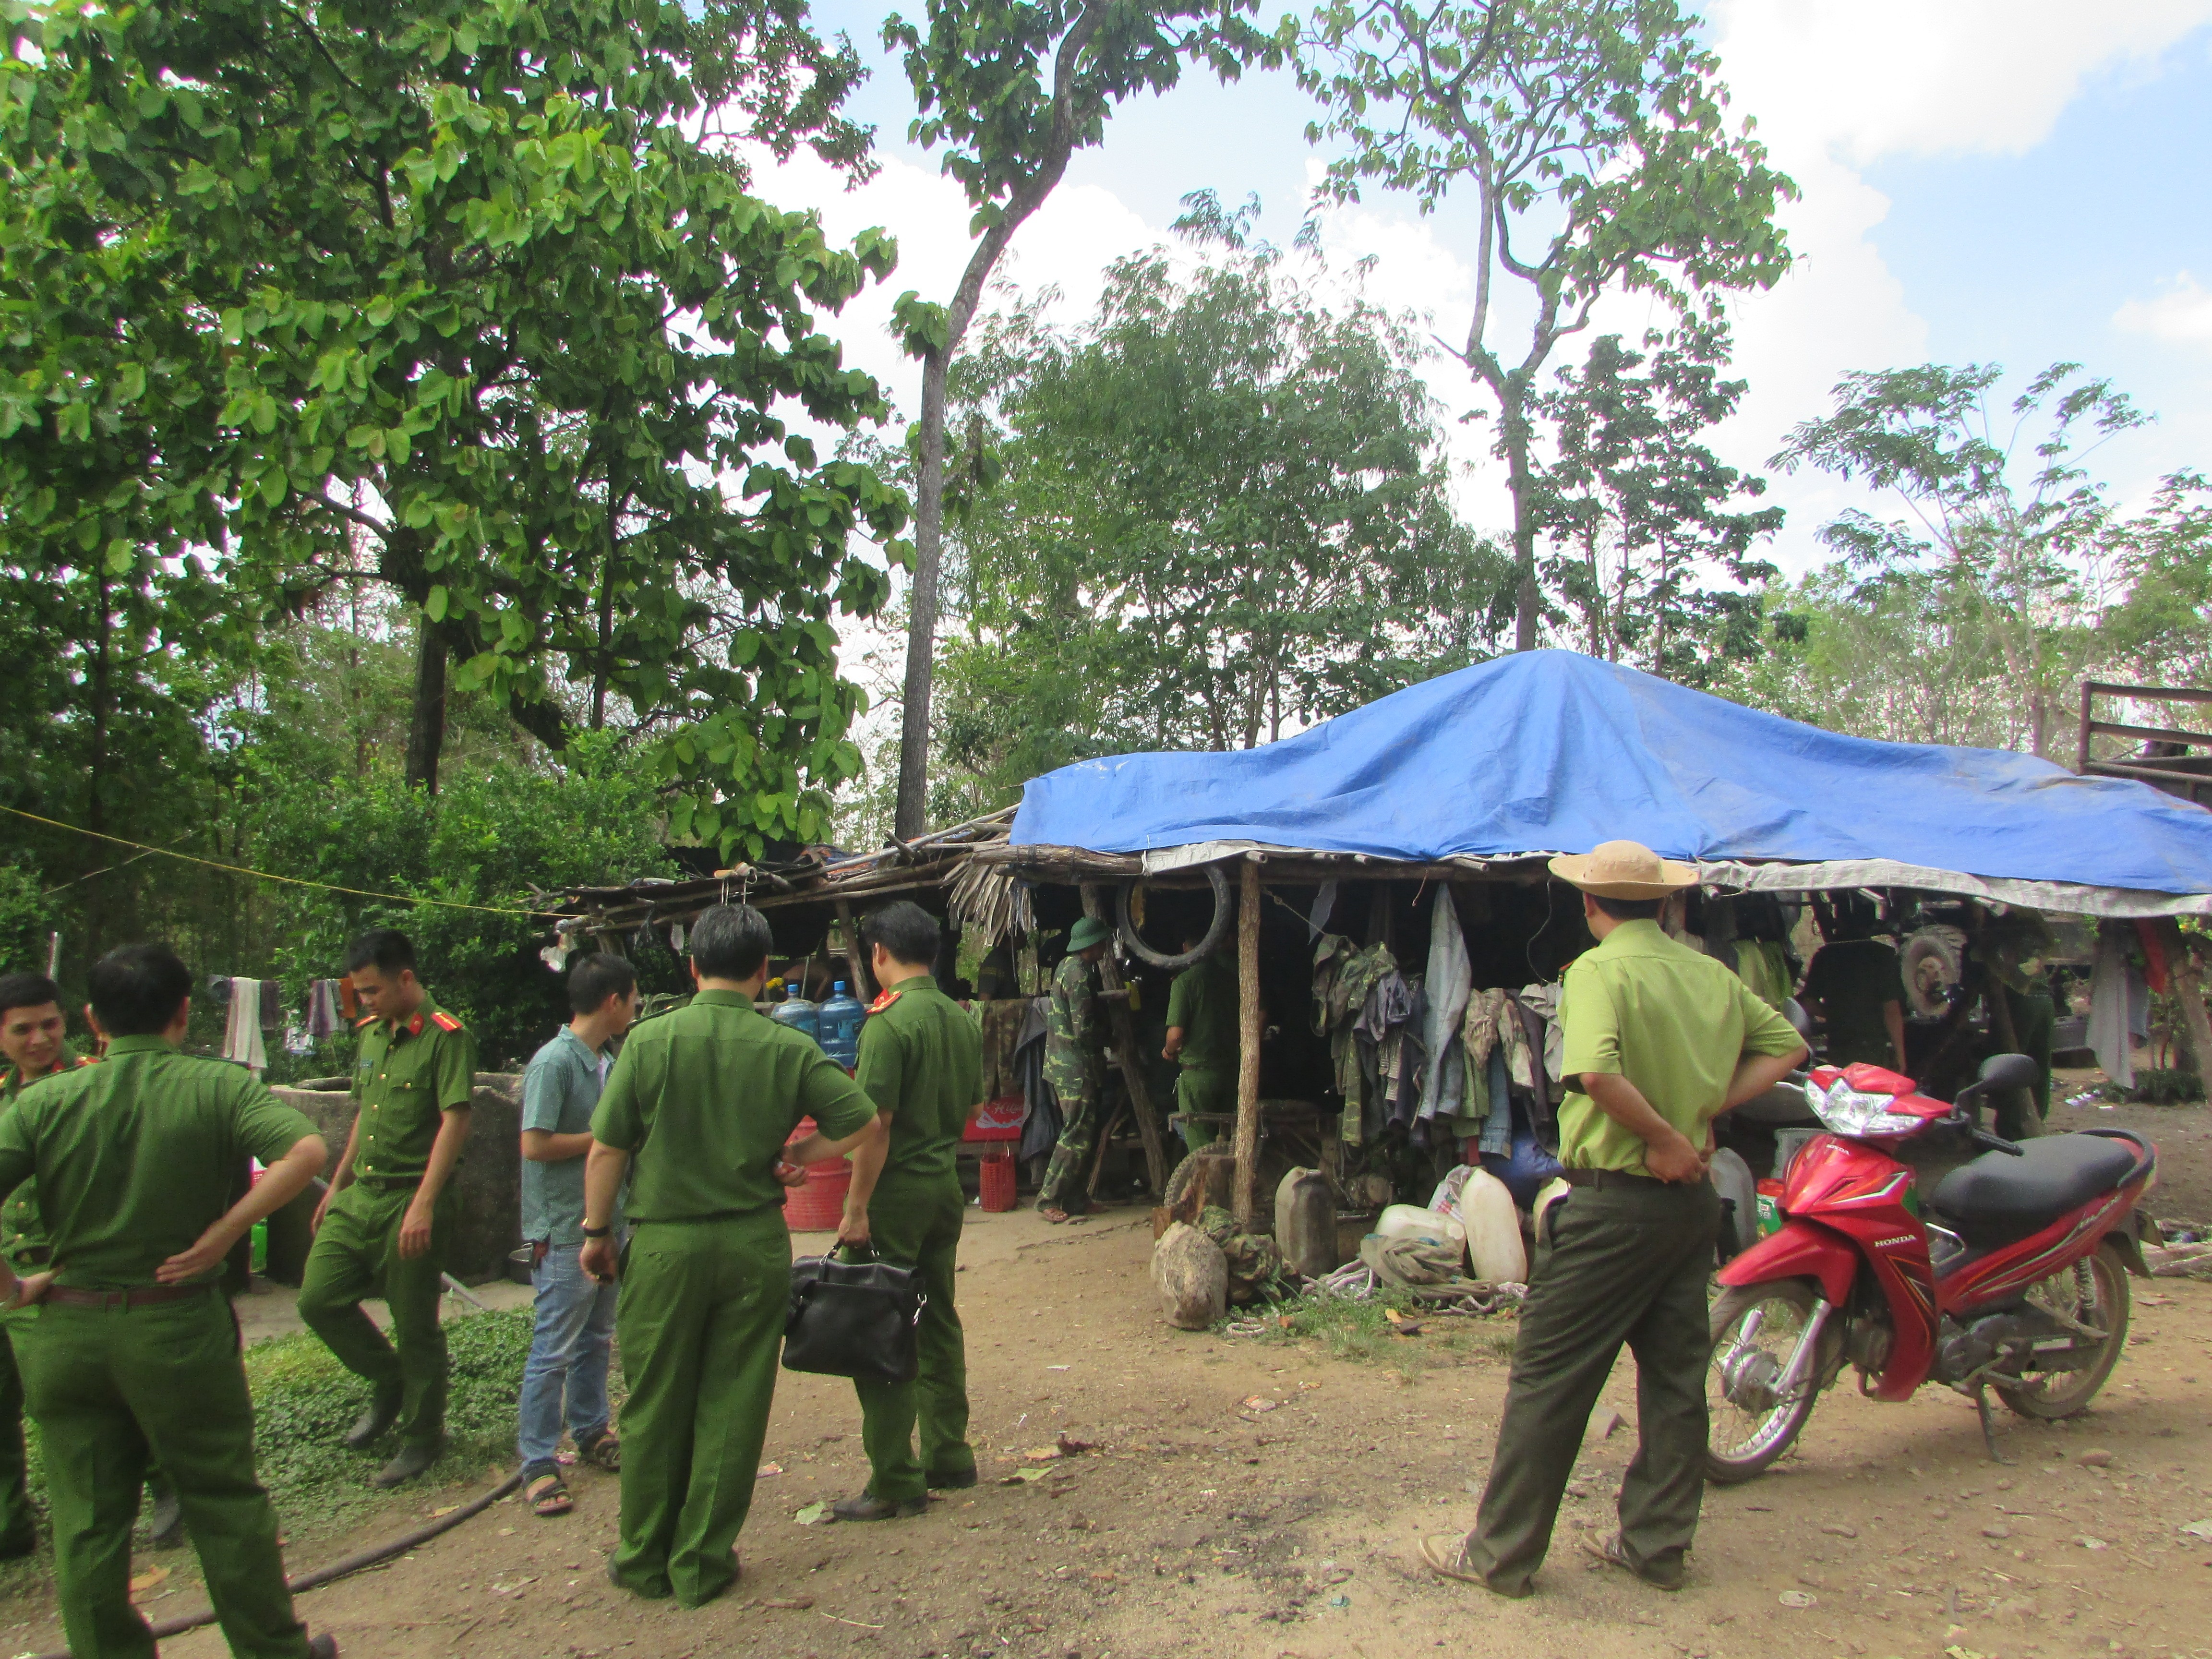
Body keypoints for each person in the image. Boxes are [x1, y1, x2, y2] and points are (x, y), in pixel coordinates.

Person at [1424, 841, 1807, 1599]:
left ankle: (1501, 1555)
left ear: (1591, 907)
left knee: (1550, 1379)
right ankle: (1656, 1547)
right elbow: (1788, 1046)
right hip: (1688, 1209)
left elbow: (1594, 1071)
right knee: (1674, 1381)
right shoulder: (1707, 972)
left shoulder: (1598, 970)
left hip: (1614, 1204)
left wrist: (1664, 1136)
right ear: (1666, 905)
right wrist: (1700, 1114)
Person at [0, 944, 337, 1658]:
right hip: (176, 1328)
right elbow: (306, 1152)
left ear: (91, 1020)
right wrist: (224, 1236)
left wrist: (14, 1285)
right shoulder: (219, 1087)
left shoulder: (42, 1101)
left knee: (87, 1521)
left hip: (67, 1332)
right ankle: (274, 1651)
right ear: (186, 1012)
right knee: (223, 1500)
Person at [582, 903, 882, 1607]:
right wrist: (794, 1152)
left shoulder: (649, 1043)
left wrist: (597, 1233)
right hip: (751, 1246)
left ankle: (643, 1559)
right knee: (733, 1402)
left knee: (654, 1401)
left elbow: (606, 1148)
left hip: (662, 1246)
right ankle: (702, 1564)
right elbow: (862, 1122)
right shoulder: (784, 1046)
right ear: (764, 973)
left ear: (692, 969)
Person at [296, 929, 475, 1490]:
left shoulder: (447, 1036)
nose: (366, 1001)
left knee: (414, 1321)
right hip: (361, 1195)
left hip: (410, 1197)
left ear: (405, 978)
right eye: (359, 993)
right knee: (318, 1299)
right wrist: (336, 1186)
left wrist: (424, 1205)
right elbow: (363, 1118)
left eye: (373, 990)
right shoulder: (372, 1037)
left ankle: (423, 1436)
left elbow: (456, 1120)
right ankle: (388, 1378)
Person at [830, 902, 982, 1522]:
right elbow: (970, 1107)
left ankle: (895, 1477)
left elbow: (875, 1128)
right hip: (946, 1186)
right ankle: (950, 1453)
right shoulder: (960, 1020)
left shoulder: (885, 1026)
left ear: (879, 954)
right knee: (938, 1318)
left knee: (881, 1327)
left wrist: (854, 1208)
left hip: (896, 1195)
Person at [517, 953, 638, 1520]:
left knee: (597, 1337)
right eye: (633, 1000)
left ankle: (591, 1430)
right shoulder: (555, 1063)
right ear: (613, 1001)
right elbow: (535, 1144)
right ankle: (538, 1461)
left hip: (606, 1223)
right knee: (553, 1348)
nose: (636, 1010)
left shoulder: (606, 1062)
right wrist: (601, 1140)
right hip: (565, 1229)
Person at [1036, 917, 1111, 1223]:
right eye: (1102, 943)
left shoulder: (1066, 966)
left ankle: (1077, 1198)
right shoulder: (1079, 975)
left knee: (1085, 1134)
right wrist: (1111, 1038)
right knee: (1076, 1134)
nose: (1105, 947)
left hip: (1064, 1066)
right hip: (1075, 1069)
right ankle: (1048, 1198)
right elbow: (1084, 1030)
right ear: (1091, 945)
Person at [1798, 898, 1907, 1071]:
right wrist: (1901, 1056)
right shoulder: (1883, 956)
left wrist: (1838, 1015)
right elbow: (1891, 1010)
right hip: (1873, 1049)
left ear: (1838, 920)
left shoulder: (1825, 956)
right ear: (1871, 922)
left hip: (1839, 1046)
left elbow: (1809, 1004)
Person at [1162, 932, 1237, 1152]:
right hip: (1231, 1073)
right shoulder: (1233, 979)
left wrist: (1169, 1051)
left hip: (1198, 1078)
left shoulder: (1185, 982)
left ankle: (1209, 1186)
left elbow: (1175, 1035)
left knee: (1201, 1150)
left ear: (1186, 948)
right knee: (1229, 1143)